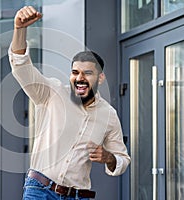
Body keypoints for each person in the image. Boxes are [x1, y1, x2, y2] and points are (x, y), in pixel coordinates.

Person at [8, 6, 131, 200]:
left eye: (87, 73)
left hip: (79, 196)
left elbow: (123, 160)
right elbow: (21, 67)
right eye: (75, 72)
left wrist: (109, 158)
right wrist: (19, 29)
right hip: (39, 191)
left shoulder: (108, 114)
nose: (80, 78)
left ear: (100, 78)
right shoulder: (52, 93)